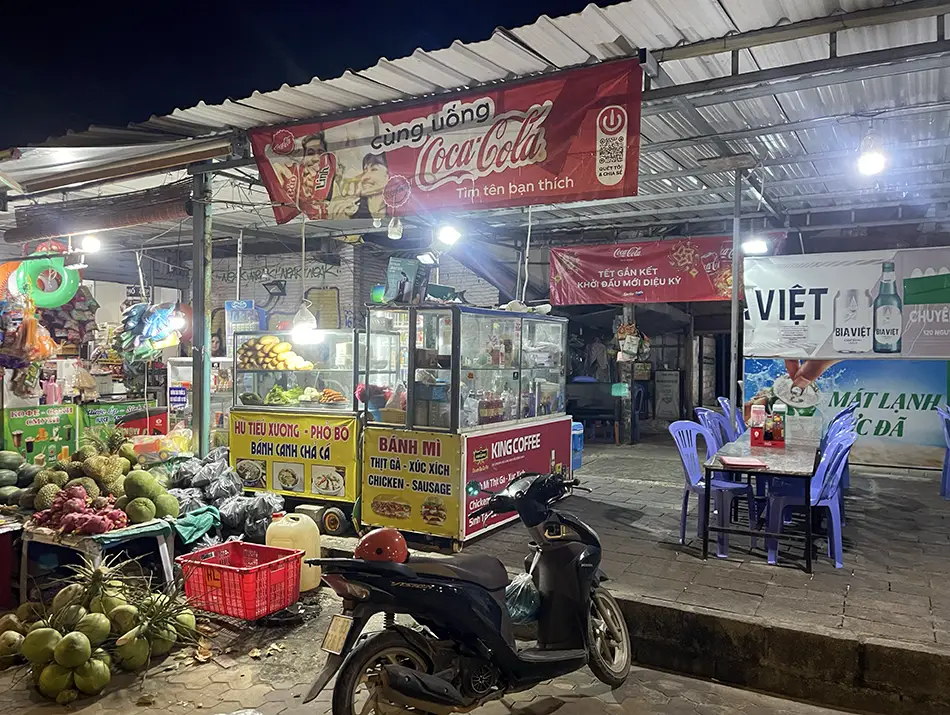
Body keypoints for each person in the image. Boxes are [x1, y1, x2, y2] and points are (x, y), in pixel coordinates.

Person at [271, 132, 338, 218]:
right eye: (310, 153)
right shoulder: (291, 171)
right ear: (303, 159)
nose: (316, 157)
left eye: (321, 152)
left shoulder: (332, 183)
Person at [328, 153, 390, 221]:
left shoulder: (398, 208)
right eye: (365, 170)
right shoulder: (351, 208)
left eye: (374, 169)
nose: (365, 177)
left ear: (389, 175)